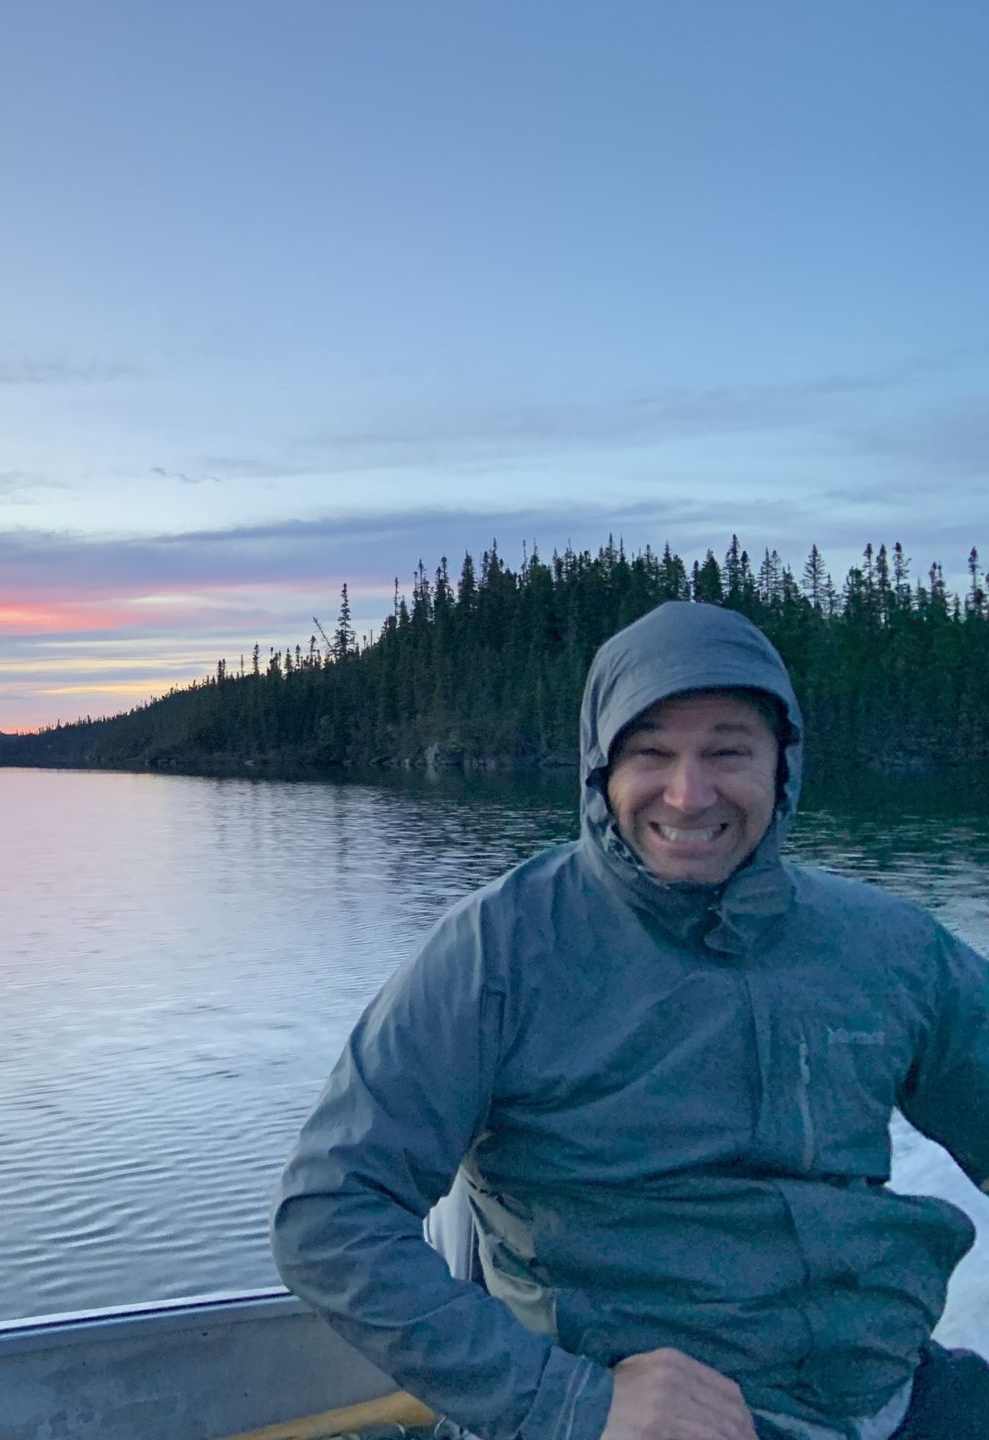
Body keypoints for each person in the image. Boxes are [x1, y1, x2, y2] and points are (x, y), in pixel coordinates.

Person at [270, 601, 989, 1440]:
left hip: (890, 1393)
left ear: (782, 766)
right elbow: (329, 1213)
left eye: (727, 752)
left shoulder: (888, 947)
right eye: (651, 754)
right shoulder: (498, 952)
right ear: (599, 770)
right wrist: (569, 1402)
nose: (688, 795)